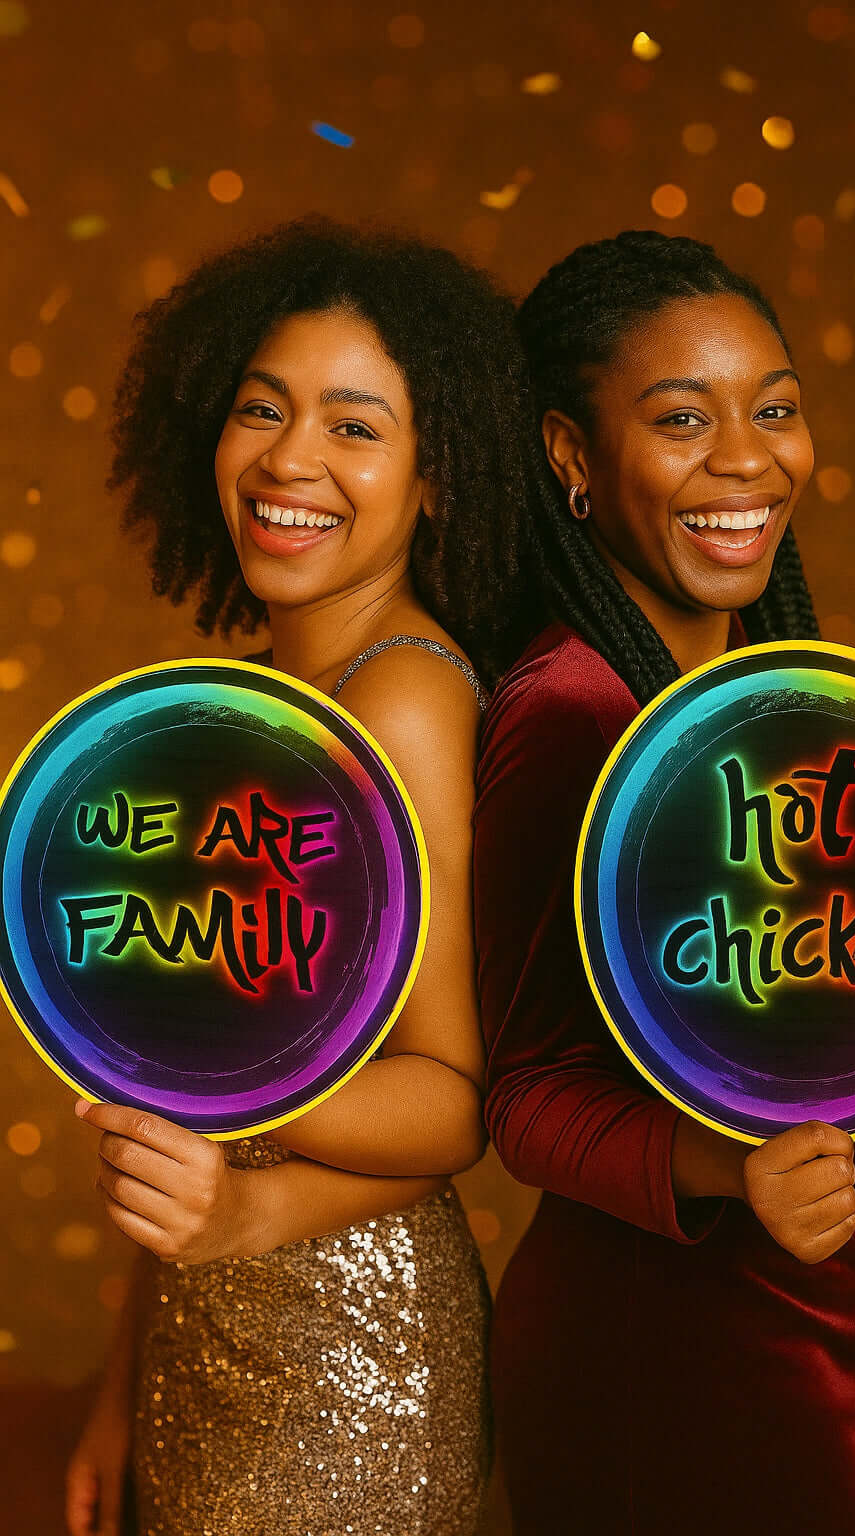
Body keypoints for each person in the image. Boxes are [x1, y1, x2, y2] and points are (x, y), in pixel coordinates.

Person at [472, 230, 855, 1536]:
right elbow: (524, 1096)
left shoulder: (782, 681)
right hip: (695, 1371)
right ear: (569, 455)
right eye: (681, 419)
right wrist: (722, 1165)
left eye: (773, 409)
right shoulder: (573, 712)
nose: (747, 460)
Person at [65, 217, 539, 1536]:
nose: (289, 459)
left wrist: (247, 1199)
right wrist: (123, 1384)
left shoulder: (405, 703)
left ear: (436, 477)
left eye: (354, 426)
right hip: (204, 1328)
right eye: (262, 409)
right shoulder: (254, 701)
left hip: (350, 1371)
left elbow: (452, 1100)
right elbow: (187, 1090)